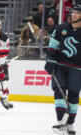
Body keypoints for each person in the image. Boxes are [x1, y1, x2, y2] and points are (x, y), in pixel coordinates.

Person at [44, 4, 81, 135]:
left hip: (77, 69)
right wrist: (50, 60)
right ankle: (61, 122)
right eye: (73, 12)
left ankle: (69, 123)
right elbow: (52, 47)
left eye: (77, 13)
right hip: (60, 66)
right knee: (59, 92)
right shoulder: (61, 28)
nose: (73, 15)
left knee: (73, 95)